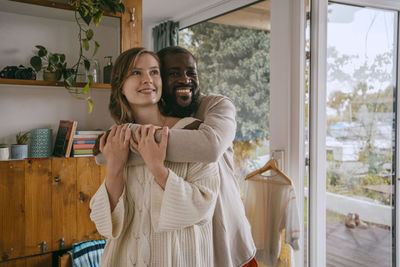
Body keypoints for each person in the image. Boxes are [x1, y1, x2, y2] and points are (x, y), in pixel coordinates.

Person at [126, 46, 257, 267]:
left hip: (229, 242)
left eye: (191, 72)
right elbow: (105, 153)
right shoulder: (153, 118)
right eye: (174, 73)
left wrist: (128, 145)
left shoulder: (216, 106)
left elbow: (210, 147)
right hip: (186, 248)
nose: (185, 79)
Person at [90, 47, 220, 267]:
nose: (147, 80)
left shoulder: (192, 132)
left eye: (154, 72)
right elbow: (103, 223)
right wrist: (115, 167)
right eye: (136, 73)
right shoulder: (116, 139)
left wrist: (157, 167)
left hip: (179, 257)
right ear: (120, 85)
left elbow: (204, 207)